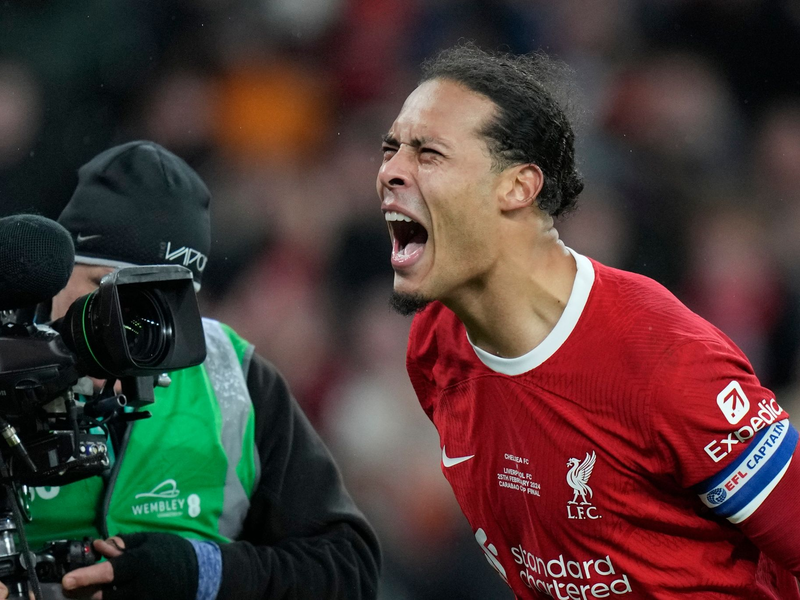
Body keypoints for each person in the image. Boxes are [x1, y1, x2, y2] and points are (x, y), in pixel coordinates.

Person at [377, 42, 800, 599]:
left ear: (518, 187)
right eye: (390, 149)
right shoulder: (435, 347)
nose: (390, 172)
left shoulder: (663, 358)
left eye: (428, 154)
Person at [1, 141, 380, 600]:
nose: (122, 328)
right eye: (102, 288)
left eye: (154, 307)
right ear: (59, 271)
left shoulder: (234, 377)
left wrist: (202, 573)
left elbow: (348, 569)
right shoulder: (6, 359)